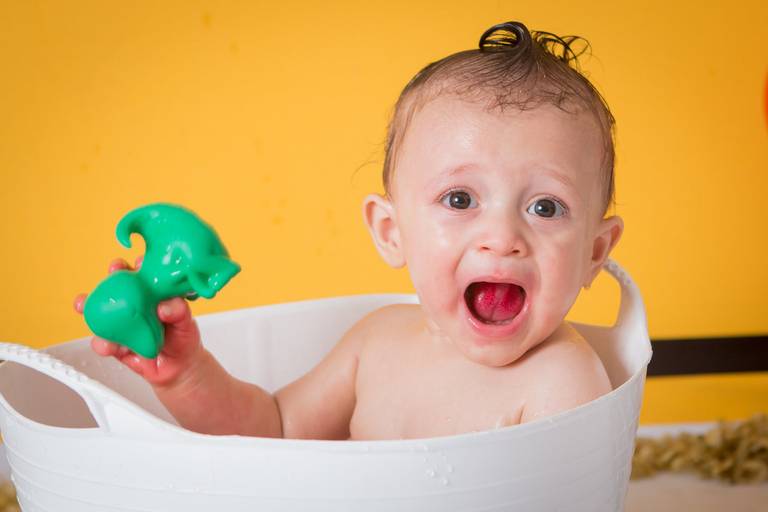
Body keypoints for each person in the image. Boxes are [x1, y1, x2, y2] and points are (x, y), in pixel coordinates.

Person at [74, 21, 622, 440]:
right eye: (460, 199)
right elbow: (275, 431)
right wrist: (185, 374)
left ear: (595, 252)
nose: (502, 237)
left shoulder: (563, 382)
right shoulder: (375, 343)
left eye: (546, 208)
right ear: (390, 231)